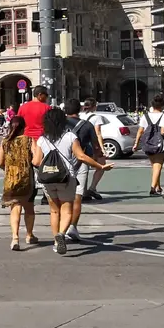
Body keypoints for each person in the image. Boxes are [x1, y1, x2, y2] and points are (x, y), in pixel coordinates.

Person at [32, 106, 113, 255]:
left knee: (54, 211)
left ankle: (56, 242)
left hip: (48, 179)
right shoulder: (70, 136)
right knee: (67, 208)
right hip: (66, 177)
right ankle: (62, 234)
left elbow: (36, 162)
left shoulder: (42, 139)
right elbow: (81, 156)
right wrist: (100, 166)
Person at [64, 98, 102, 242]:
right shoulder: (87, 125)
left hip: (60, 163)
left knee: (61, 198)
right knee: (77, 197)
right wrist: (97, 155)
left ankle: (61, 228)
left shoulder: (58, 124)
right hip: (81, 163)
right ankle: (72, 227)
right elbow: (96, 146)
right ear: (79, 110)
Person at [0, 115, 37, 250]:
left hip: (11, 178)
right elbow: (36, 160)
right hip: (27, 178)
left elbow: (0, 162)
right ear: (23, 127)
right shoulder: (29, 140)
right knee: (29, 207)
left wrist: (9, 168)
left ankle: (15, 237)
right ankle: (29, 235)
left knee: (15, 207)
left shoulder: (5, 142)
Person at [133, 94, 164, 196]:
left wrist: (136, 143)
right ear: (163, 105)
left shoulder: (145, 116)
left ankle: (158, 186)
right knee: (158, 165)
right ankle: (153, 188)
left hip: (148, 142)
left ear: (152, 105)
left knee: (154, 165)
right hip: (161, 142)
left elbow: (140, 131)